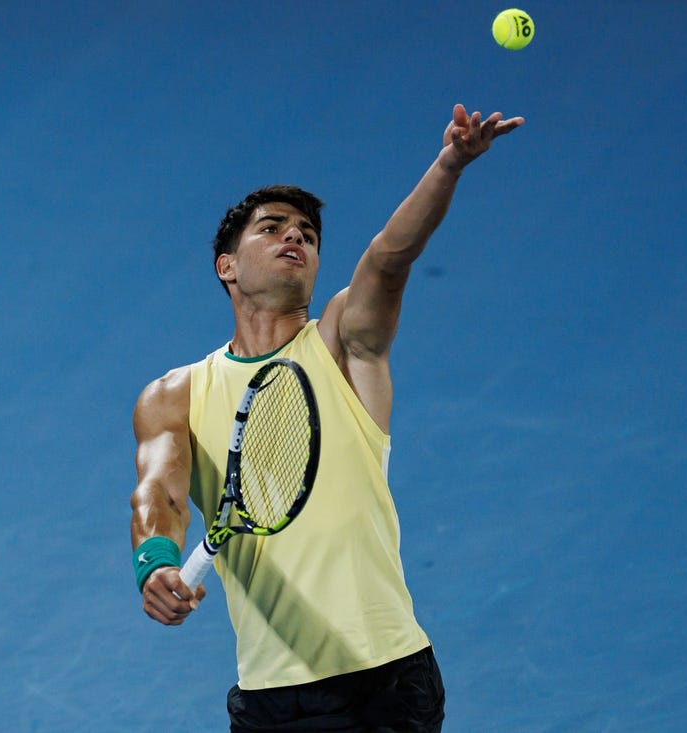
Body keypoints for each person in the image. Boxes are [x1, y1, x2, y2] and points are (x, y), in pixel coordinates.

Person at [129, 103, 524, 732]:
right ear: (226, 266)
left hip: (387, 679)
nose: (295, 237)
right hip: (272, 694)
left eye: (307, 235)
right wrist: (156, 563)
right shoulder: (173, 395)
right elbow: (160, 492)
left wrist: (450, 164)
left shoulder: (345, 344)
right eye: (272, 228)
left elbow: (389, 259)